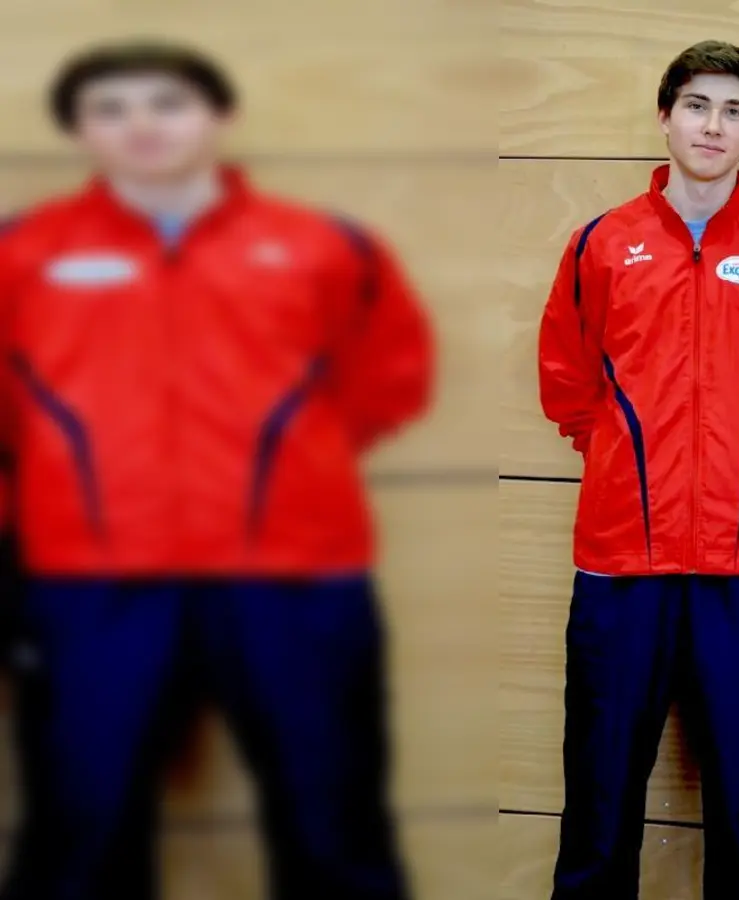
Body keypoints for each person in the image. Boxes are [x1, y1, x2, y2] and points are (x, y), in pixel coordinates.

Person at [0, 40, 432, 900]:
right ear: (80, 131)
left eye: (166, 102)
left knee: (334, 825)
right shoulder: (21, 254)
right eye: (111, 109)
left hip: (295, 576)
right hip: (87, 583)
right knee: (78, 834)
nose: (141, 125)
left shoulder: (321, 246)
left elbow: (389, 378)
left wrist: (276, 476)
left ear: (220, 118)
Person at [536, 40, 739, 900]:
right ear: (665, 115)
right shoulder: (601, 243)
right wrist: (631, 466)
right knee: (598, 800)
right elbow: (568, 386)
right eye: (699, 106)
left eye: (735, 111)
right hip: (620, 568)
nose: (714, 125)